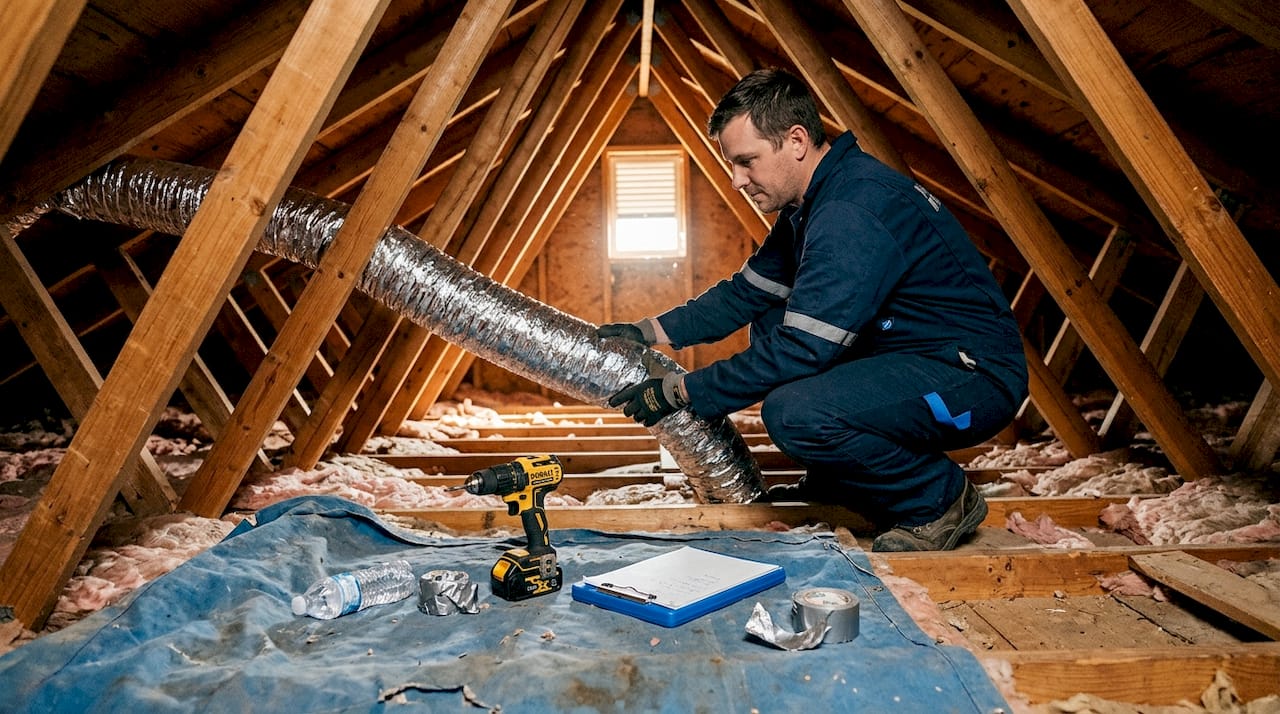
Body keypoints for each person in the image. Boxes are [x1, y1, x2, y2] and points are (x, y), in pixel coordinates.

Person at [600, 68, 1028, 552]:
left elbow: (801, 350)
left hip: (971, 380)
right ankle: (840, 482)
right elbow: (746, 294)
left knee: (796, 413)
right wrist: (648, 331)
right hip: (910, 357)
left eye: (747, 161)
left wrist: (685, 391)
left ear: (796, 140)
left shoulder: (852, 210)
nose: (737, 180)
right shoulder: (813, 202)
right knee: (771, 315)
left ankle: (939, 499)